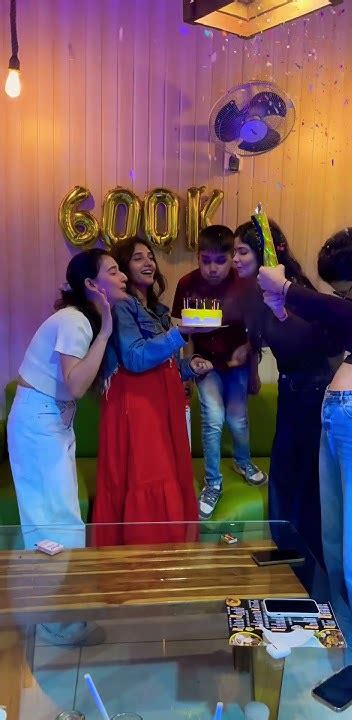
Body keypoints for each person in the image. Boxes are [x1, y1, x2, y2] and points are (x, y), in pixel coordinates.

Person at [258, 225, 352, 677]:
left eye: (346, 290)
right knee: (336, 542)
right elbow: (327, 336)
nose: (344, 299)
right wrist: (282, 310)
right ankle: (349, 643)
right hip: (344, 418)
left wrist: (288, 289)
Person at [7, 248, 127, 644]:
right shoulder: (76, 320)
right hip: (41, 422)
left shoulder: (77, 319)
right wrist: (105, 331)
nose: (123, 276)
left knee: (57, 516)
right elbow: (76, 385)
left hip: (48, 420)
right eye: (114, 271)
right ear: (92, 284)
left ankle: (57, 613)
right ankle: (54, 622)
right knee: (53, 520)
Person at [92, 237, 212, 546]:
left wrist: (189, 367)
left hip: (162, 407)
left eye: (150, 256)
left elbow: (161, 365)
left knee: (168, 476)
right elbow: (134, 358)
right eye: (137, 258)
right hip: (138, 408)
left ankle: (168, 559)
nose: (148, 262)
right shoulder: (121, 306)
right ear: (123, 269)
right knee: (150, 478)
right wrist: (179, 334)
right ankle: (145, 560)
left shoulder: (157, 310)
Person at [234, 220, 337, 562]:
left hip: (313, 390)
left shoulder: (294, 290)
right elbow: (260, 338)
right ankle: (290, 555)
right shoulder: (256, 292)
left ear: (266, 252)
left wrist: (280, 313)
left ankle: (309, 563)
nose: (235, 259)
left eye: (242, 251)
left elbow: (318, 343)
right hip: (291, 387)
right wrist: (249, 356)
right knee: (285, 474)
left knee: (304, 478)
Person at [172, 225, 267, 521]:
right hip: (205, 364)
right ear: (198, 257)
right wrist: (186, 369)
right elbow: (183, 332)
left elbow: (256, 333)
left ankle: (242, 461)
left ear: (231, 257)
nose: (212, 268)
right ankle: (213, 483)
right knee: (212, 418)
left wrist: (253, 371)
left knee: (237, 419)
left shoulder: (246, 285)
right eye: (206, 261)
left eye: (220, 261)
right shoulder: (187, 283)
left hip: (237, 365)